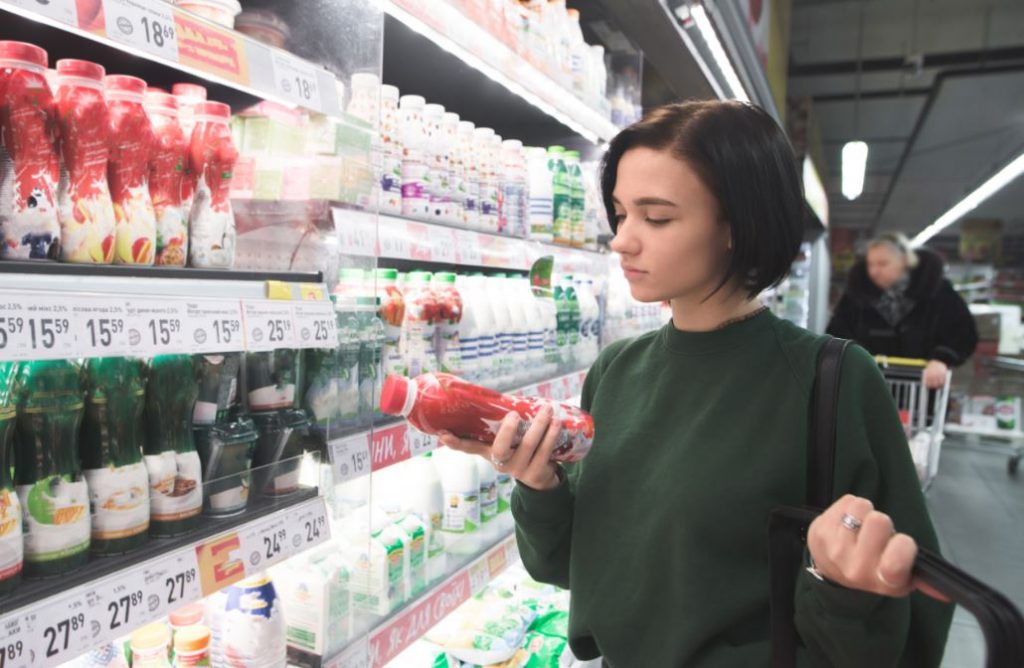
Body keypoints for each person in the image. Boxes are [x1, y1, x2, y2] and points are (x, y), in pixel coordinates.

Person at [440, 101, 953, 667]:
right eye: (620, 213)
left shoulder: (831, 379)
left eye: (656, 218)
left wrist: (841, 585)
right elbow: (567, 568)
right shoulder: (616, 372)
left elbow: (917, 613)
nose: (622, 241)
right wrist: (538, 485)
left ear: (737, 224)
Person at [827, 233, 978, 389]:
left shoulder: (937, 291)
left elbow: (962, 332)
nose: (874, 271)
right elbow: (837, 333)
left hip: (924, 391)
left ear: (905, 261)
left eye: (883, 263)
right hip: (866, 386)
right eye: (871, 264)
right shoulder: (856, 295)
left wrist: (942, 359)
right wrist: (851, 358)